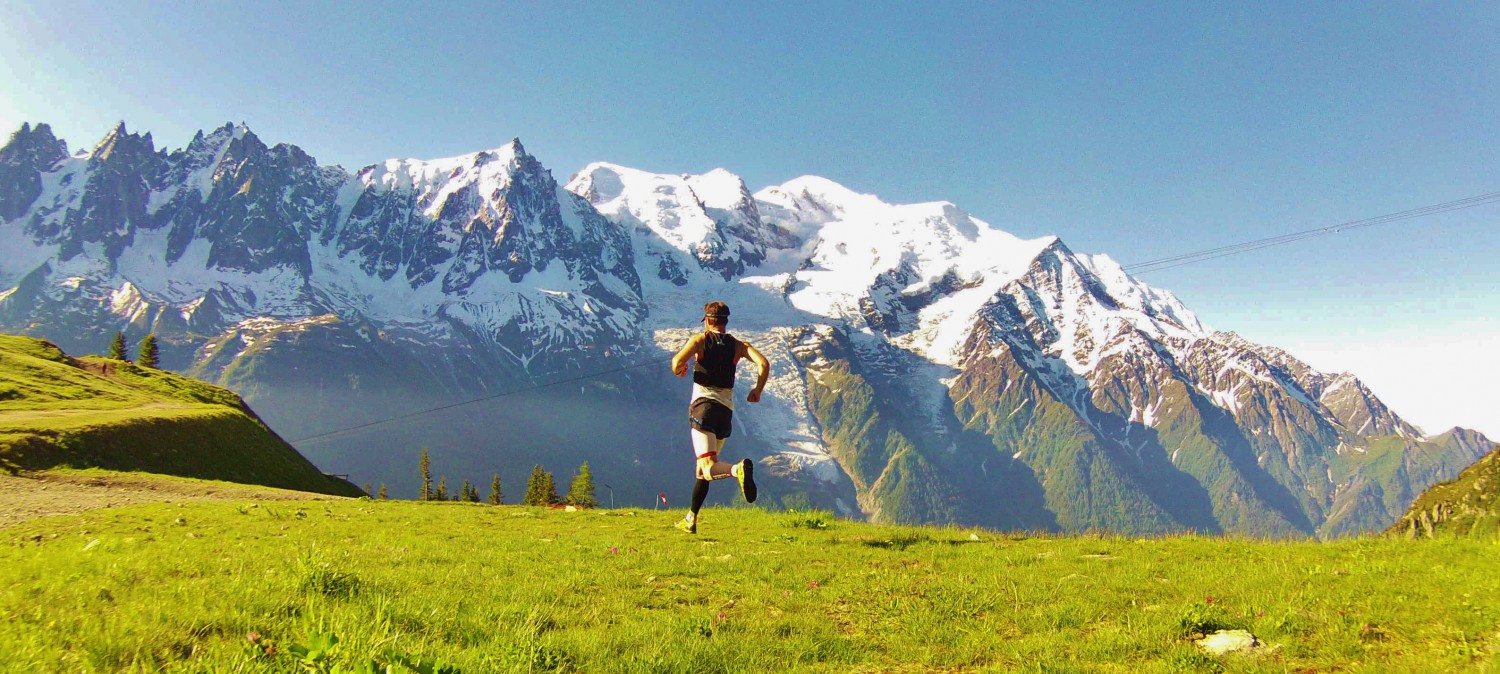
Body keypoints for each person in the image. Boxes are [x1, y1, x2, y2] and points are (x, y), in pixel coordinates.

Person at [669, 301, 768, 533]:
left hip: (703, 408)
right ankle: (690, 519)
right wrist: (757, 390)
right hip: (725, 413)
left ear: (706, 320)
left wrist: (679, 370)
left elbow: (676, 362)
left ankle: (737, 469)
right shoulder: (738, 346)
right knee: (702, 471)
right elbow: (764, 363)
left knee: (707, 467)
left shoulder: (700, 341)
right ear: (725, 321)